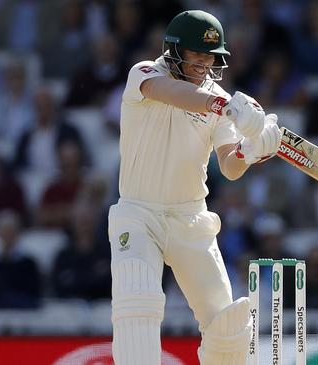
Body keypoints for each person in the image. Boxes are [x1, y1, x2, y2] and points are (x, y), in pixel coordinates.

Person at [108, 10, 281, 365]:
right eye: (196, 55)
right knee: (137, 303)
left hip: (191, 219)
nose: (204, 64)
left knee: (228, 324)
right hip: (139, 214)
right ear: (174, 51)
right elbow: (171, 93)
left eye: (210, 57)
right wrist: (223, 106)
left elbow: (230, 168)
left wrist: (250, 150)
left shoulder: (220, 100)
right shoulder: (144, 74)